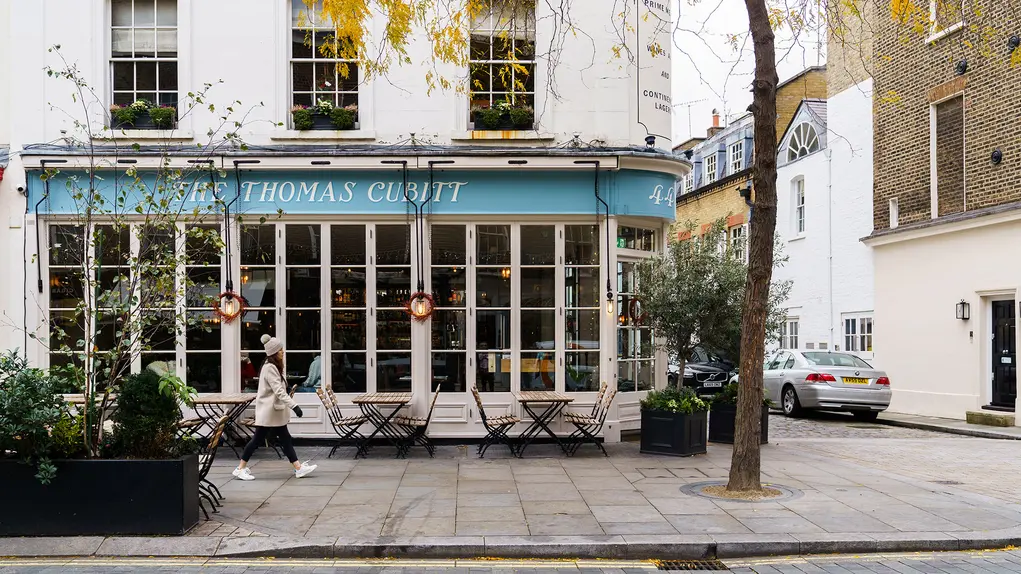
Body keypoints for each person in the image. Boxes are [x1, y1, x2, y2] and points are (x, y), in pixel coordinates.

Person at [232, 335, 317, 481]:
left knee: (285, 439)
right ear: (274, 352)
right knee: (257, 440)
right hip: (269, 412)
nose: (283, 352)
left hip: (274, 412)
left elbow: (279, 388)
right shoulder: (270, 368)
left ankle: (298, 468)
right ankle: (240, 468)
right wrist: (294, 406)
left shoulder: (273, 366)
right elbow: (278, 391)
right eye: (280, 350)